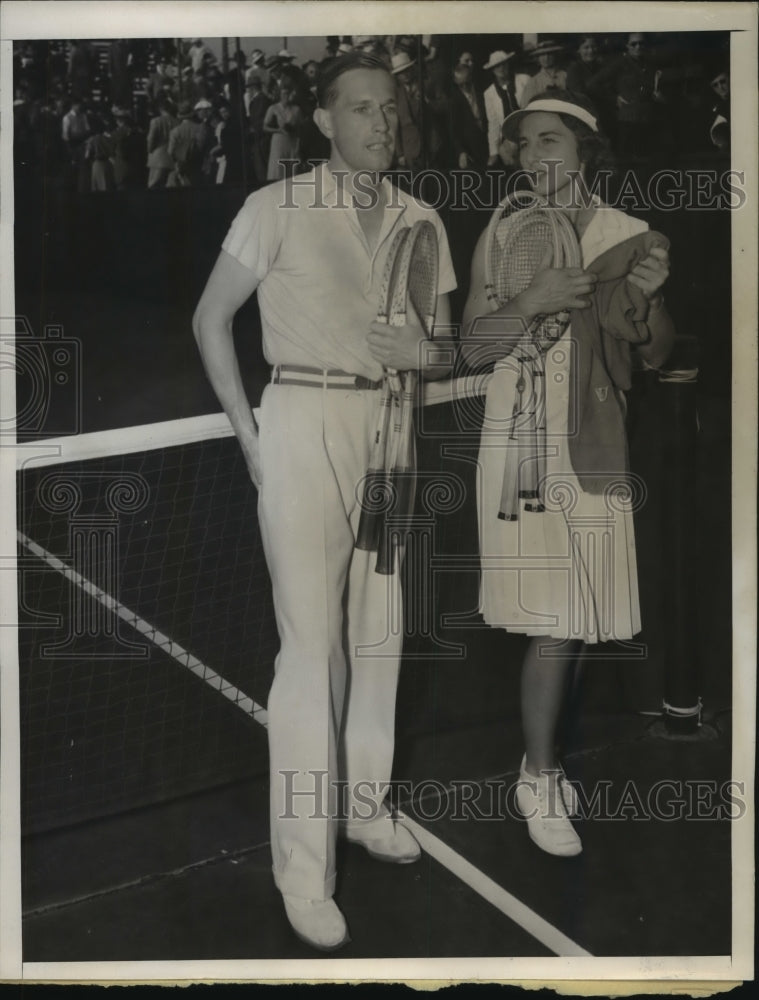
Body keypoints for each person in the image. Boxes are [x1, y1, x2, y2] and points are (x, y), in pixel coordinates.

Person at [192, 51, 456, 952]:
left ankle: (366, 807)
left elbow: (443, 347)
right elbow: (208, 318)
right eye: (360, 108)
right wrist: (249, 434)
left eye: (389, 108)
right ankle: (304, 872)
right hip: (299, 423)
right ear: (322, 119)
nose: (379, 123)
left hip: (391, 432)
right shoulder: (274, 208)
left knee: (378, 636)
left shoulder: (422, 219)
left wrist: (421, 355)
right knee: (310, 655)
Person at [461, 92, 674, 857]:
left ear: (587, 150)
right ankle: (540, 775)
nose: (531, 156)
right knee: (556, 621)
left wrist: (643, 304)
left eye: (548, 141)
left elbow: (651, 355)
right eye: (520, 145)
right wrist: (530, 300)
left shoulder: (628, 236)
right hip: (520, 441)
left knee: (578, 620)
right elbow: (474, 347)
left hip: (594, 438)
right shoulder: (504, 228)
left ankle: (536, 756)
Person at [482, 49, 519, 168]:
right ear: (492, 70)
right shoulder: (489, 93)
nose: (501, 69)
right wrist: (493, 152)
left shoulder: (523, 80)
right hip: (509, 137)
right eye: (497, 66)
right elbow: (493, 124)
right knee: (506, 153)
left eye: (503, 64)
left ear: (508, 64)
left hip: (527, 131)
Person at [263, 79, 303, 180]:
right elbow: (265, 127)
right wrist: (278, 130)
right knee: (278, 168)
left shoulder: (296, 109)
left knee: (292, 168)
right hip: (279, 140)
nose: (286, 96)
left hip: (292, 140)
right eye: (284, 93)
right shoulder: (273, 108)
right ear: (280, 95)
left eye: (288, 93)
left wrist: (298, 145)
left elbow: (300, 129)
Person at [520, 39, 568, 107]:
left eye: (549, 54)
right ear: (538, 58)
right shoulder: (533, 82)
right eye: (542, 54)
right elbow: (525, 106)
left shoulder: (565, 76)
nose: (546, 58)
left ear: (555, 55)